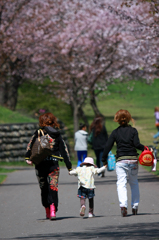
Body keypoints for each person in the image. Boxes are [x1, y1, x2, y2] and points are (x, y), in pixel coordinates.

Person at [25, 112, 72, 220]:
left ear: (42, 121)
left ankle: (47, 210)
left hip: (40, 164)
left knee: (44, 187)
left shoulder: (38, 132)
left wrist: (28, 158)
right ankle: (52, 210)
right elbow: (64, 151)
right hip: (54, 165)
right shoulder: (57, 134)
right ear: (53, 121)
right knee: (53, 187)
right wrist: (69, 167)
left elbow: (30, 145)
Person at [101, 109, 147, 217]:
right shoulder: (133, 131)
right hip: (133, 160)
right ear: (129, 118)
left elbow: (108, 146)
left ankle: (123, 206)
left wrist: (104, 160)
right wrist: (145, 148)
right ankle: (135, 206)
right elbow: (136, 144)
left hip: (121, 160)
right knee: (134, 183)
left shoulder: (115, 132)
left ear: (117, 119)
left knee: (121, 183)